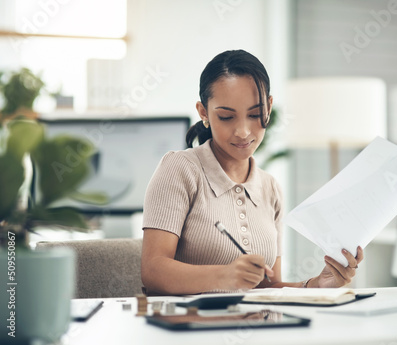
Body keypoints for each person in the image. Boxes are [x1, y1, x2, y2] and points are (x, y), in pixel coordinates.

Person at [141, 49, 363, 295]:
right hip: (192, 327)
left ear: (269, 106)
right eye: (226, 117)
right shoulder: (180, 170)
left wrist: (315, 285)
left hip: (256, 327)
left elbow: (267, 287)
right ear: (203, 112)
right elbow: (153, 272)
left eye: (255, 115)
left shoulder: (270, 188)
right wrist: (225, 275)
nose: (243, 132)